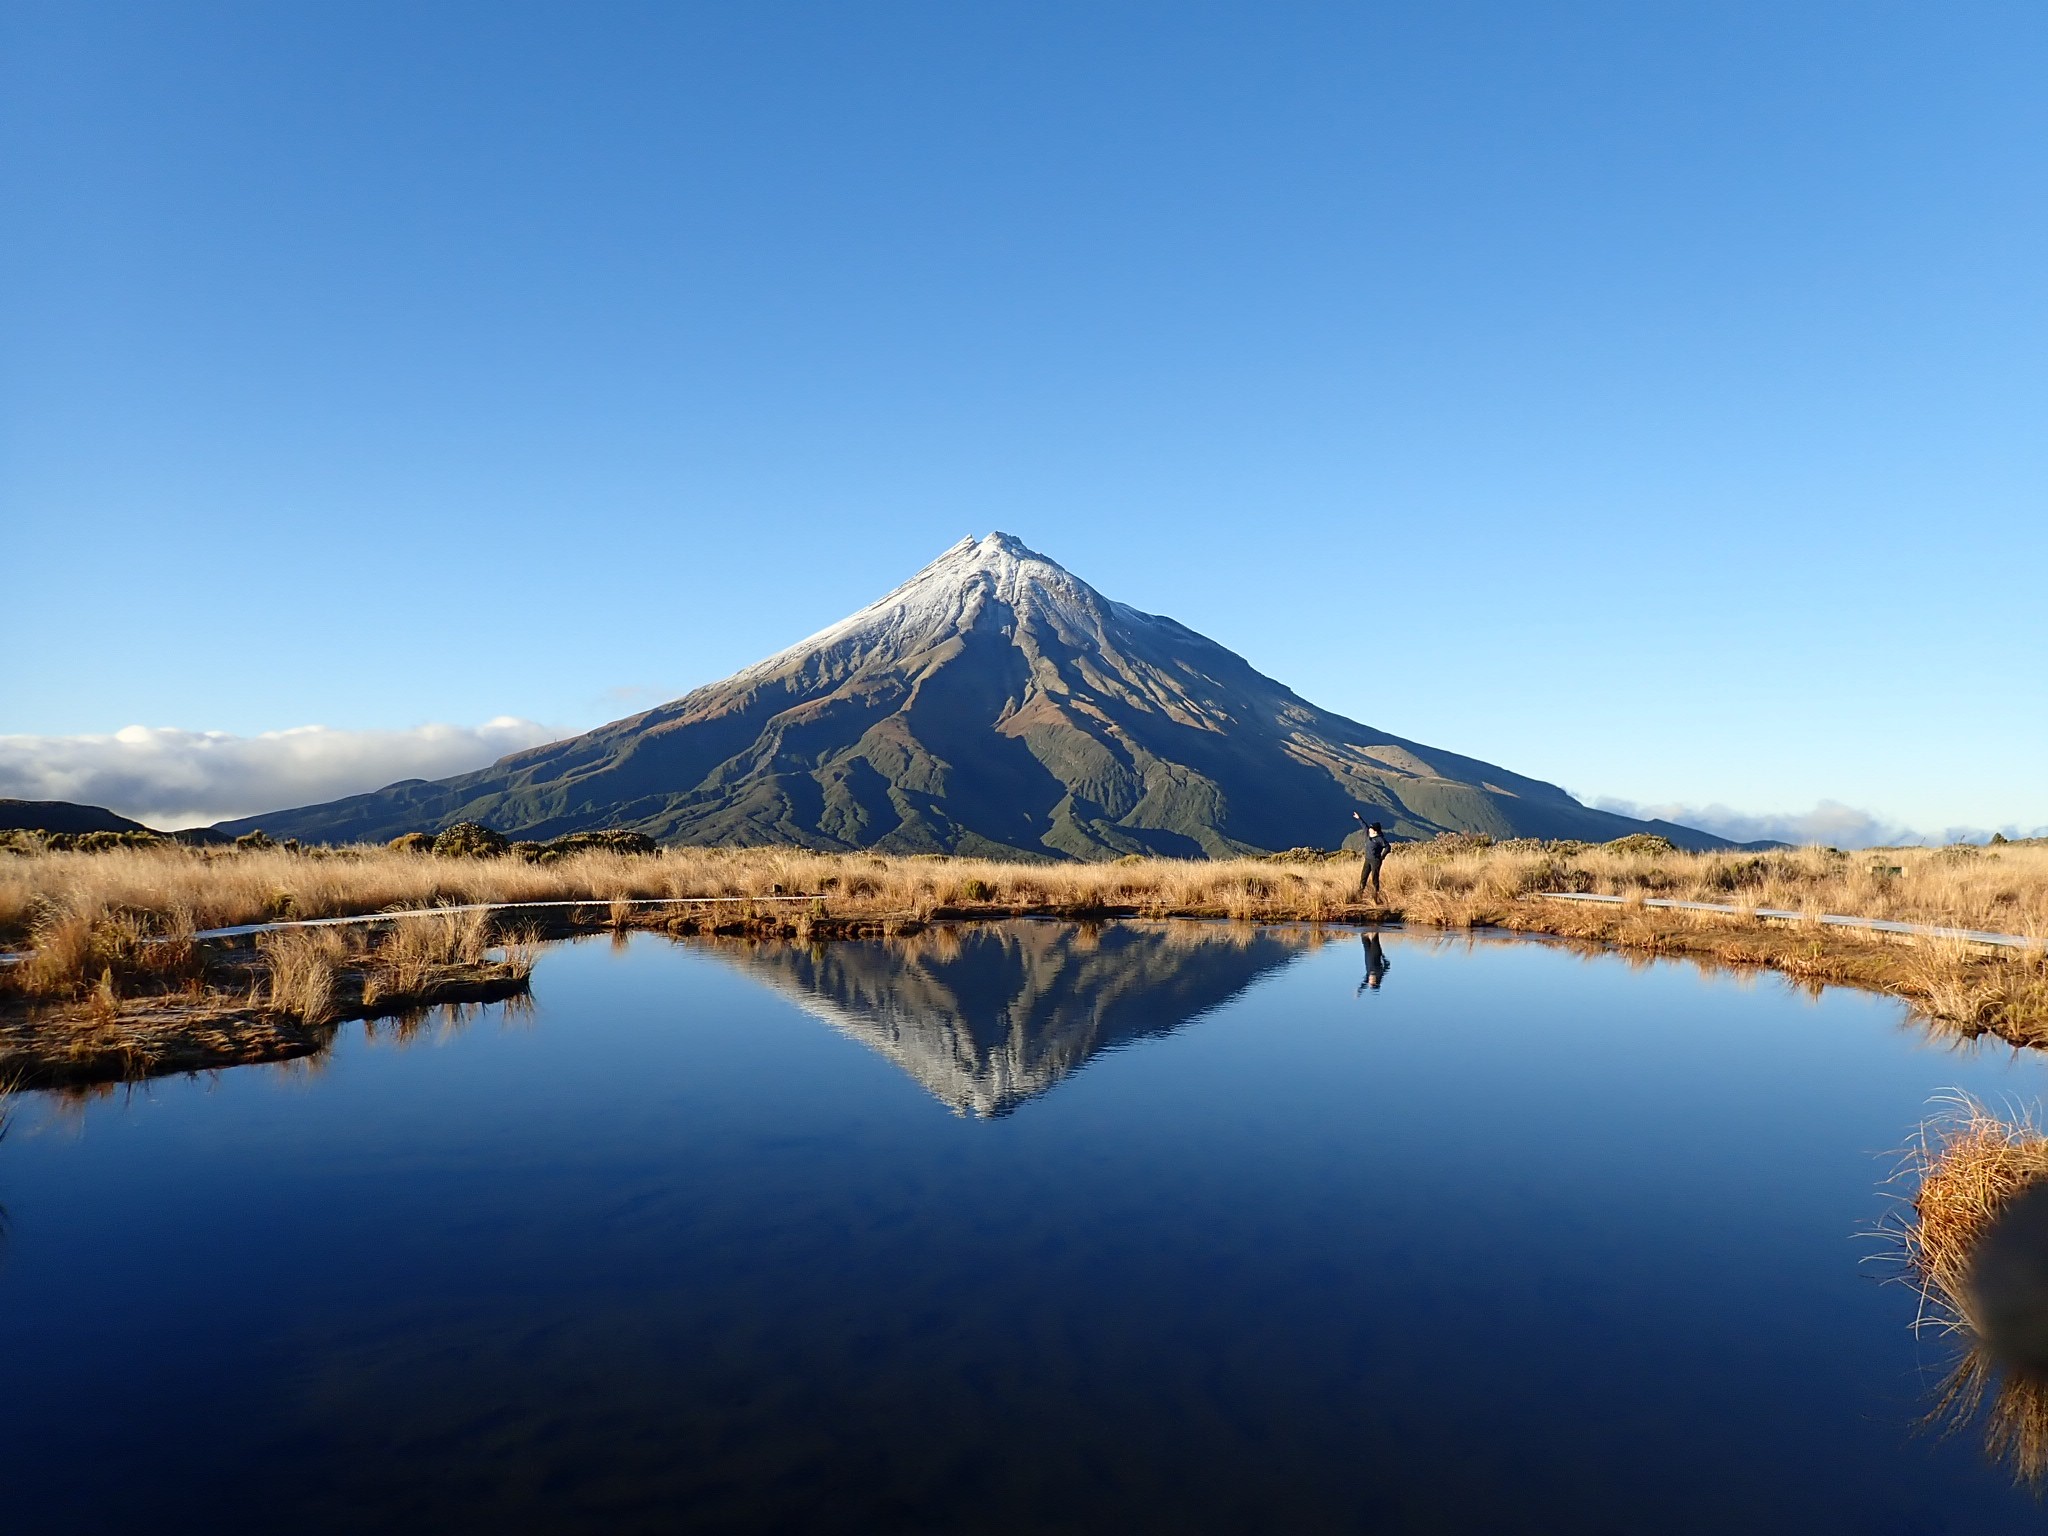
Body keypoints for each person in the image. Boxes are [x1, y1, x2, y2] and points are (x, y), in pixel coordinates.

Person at [1352, 812, 1391, 902]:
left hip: (1375, 861)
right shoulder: (1368, 834)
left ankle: (1376, 896)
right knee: (1363, 877)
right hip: (1367, 860)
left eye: (1371, 828)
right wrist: (1359, 818)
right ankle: (1359, 895)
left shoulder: (1380, 839)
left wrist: (1382, 857)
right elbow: (1364, 826)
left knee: (1374, 878)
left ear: (1375, 830)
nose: (1369, 829)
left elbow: (1388, 847)